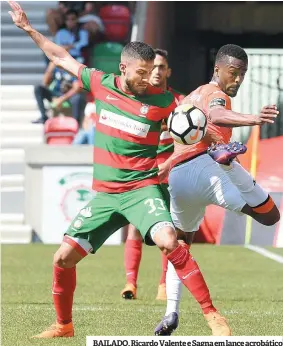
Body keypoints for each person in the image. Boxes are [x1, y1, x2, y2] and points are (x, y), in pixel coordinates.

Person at [8, 1, 228, 338]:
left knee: (170, 241)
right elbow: (60, 57)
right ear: (123, 68)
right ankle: (63, 326)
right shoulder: (99, 83)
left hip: (141, 190)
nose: (147, 79)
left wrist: (208, 133)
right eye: (140, 72)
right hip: (106, 196)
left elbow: (190, 123)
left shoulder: (162, 100)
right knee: (62, 258)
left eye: (151, 71)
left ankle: (213, 317)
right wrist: (27, 29)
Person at [154, 44, 281, 336]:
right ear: (217, 70)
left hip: (180, 175)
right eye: (233, 73)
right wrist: (254, 119)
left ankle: (171, 313)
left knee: (180, 245)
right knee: (269, 217)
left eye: (242, 75)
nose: (237, 80)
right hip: (208, 169)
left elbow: (183, 135)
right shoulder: (216, 95)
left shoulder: (188, 98)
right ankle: (227, 164)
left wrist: (166, 164)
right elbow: (217, 115)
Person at [121, 49, 184, 301]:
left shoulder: (180, 103)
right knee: (135, 227)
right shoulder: (137, 99)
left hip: (171, 172)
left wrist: (169, 163)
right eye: (153, 67)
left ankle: (163, 285)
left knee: (167, 230)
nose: (157, 72)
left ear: (168, 71)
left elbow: (188, 141)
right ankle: (130, 283)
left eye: (161, 67)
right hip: (142, 172)